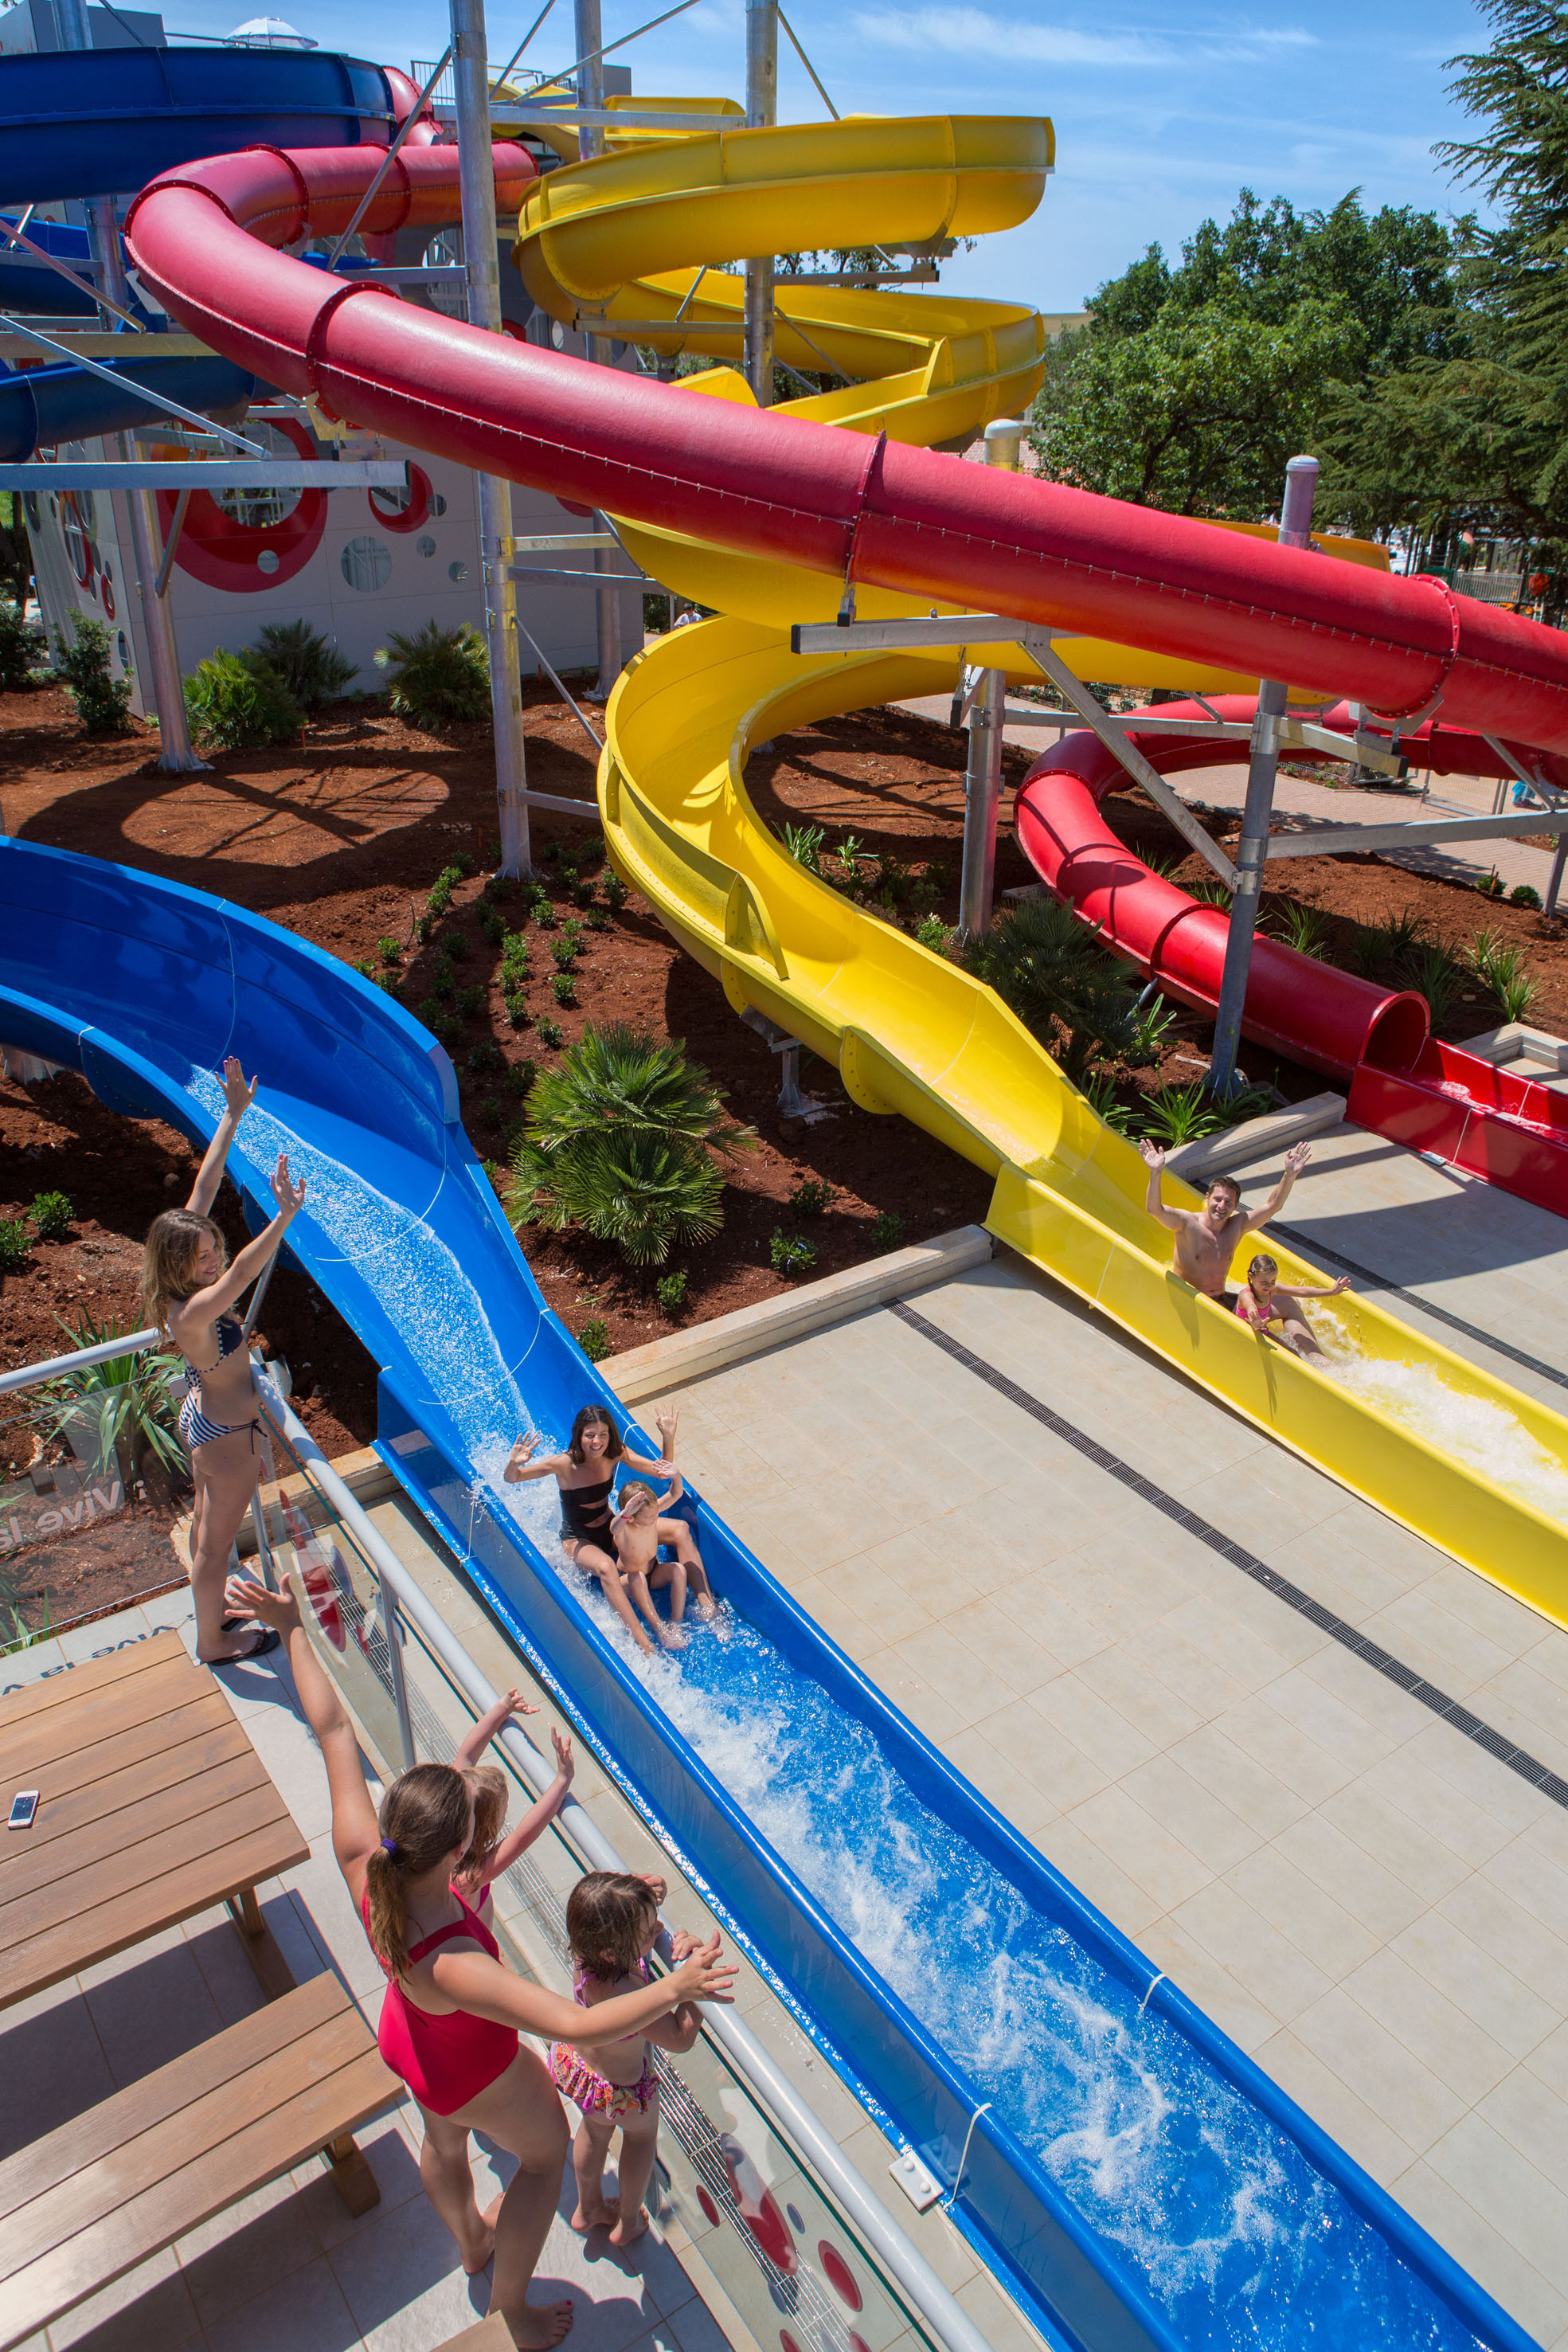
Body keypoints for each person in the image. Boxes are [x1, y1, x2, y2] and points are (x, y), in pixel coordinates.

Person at [223, 1571, 736, 2348]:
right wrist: (677, 1983)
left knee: (443, 2140)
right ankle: (514, 2310)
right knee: (543, 2160)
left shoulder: (366, 1857)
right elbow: (572, 2015)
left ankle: (468, 2239)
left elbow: (331, 1731)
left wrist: (294, 1625)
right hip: (471, 2067)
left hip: (409, 2041)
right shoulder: (455, 1959)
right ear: (461, 1849)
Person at [140, 1058, 305, 1664]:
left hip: (208, 1417)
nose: (213, 1258)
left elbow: (203, 1190)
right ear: (181, 1263)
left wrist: (232, 1115)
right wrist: (284, 1216)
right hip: (227, 1434)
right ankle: (212, 1640)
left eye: (213, 1249)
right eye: (203, 1256)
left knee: (210, 1539)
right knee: (212, 1550)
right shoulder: (192, 1313)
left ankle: (211, 1619)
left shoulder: (175, 1283)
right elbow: (241, 1274)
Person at [550, 1869, 704, 2249]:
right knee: (640, 2142)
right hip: (625, 2092)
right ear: (613, 1950)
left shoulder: (589, 1956)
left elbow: (601, 1908)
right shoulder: (628, 1993)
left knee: (593, 2132)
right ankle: (630, 2221)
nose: (661, 1932)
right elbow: (680, 2038)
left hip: (587, 2076)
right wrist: (691, 1979)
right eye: (650, 1931)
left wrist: (637, 1896)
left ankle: (588, 2208)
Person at [504, 1405, 682, 1653]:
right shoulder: (563, 1464)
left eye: (603, 1434)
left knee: (679, 1529)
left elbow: (661, 1471)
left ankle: (705, 1606)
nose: (597, 1441)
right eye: (590, 1435)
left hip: (610, 1526)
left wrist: (668, 1437)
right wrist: (514, 1463)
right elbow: (512, 1478)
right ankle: (644, 1642)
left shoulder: (615, 1453)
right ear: (579, 1435)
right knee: (606, 1567)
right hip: (578, 1538)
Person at [1139, 1138, 1314, 1305]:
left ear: (1236, 1206)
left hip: (1220, 1300)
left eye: (1228, 1202)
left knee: (1287, 1303)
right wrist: (1156, 1172)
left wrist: (1289, 1174)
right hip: (1190, 1299)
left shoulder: (1237, 1225)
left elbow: (1272, 1206)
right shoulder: (1187, 1223)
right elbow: (1154, 1209)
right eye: (1218, 1199)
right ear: (1207, 1197)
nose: (1222, 1206)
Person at [451, 1689, 576, 1918]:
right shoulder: (468, 1877)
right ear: (491, 1823)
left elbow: (465, 1757)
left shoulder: (443, 1832)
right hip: (472, 1943)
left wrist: (503, 1708)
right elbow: (522, 1836)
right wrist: (563, 1779)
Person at [606, 1471, 717, 1653]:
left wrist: (676, 1475)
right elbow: (614, 1527)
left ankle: (675, 1624)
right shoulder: (624, 1529)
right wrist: (625, 1514)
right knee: (638, 1579)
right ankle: (660, 1629)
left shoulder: (652, 1512)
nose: (655, 1518)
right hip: (629, 1580)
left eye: (655, 1514)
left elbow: (675, 1494)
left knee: (679, 1570)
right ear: (633, 1517)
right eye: (650, 1517)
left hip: (653, 1572)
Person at [1235, 1253, 1350, 1360]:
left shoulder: (1272, 1289)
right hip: (1246, 1333)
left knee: (1294, 1353)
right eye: (1264, 1281)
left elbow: (1302, 1291)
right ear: (1251, 1276)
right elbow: (1251, 1306)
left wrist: (1331, 1292)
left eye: (1273, 1281)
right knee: (1291, 1356)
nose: (1269, 1285)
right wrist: (1255, 1321)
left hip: (1261, 1329)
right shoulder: (1246, 1295)